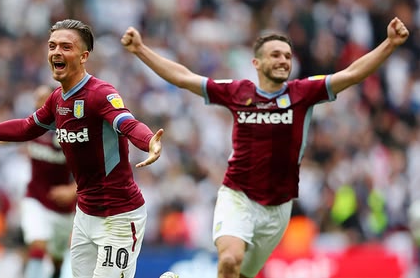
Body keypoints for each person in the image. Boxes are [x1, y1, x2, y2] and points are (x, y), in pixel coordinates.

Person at [121, 17, 409, 278]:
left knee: (241, 275)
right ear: (257, 63)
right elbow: (184, 77)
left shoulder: (303, 92)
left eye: (287, 55)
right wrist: (140, 50)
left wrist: (390, 43)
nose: (283, 60)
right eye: (275, 55)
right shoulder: (238, 92)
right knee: (230, 260)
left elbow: (352, 74)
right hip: (238, 196)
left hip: (278, 208)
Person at [0, 19, 164, 278]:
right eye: (52, 46)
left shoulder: (100, 94)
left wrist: (149, 140)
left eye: (66, 46)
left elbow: (126, 122)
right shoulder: (57, 99)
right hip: (85, 215)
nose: (56, 52)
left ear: (84, 56)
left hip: (118, 214)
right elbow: (27, 127)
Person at [20, 84, 77, 278]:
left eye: (42, 98)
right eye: (36, 99)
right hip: (35, 198)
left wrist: (72, 190)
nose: (37, 103)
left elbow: (93, 169)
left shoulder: (71, 132)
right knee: (38, 244)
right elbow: (6, 136)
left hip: (63, 206)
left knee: (57, 258)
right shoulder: (32, 126)